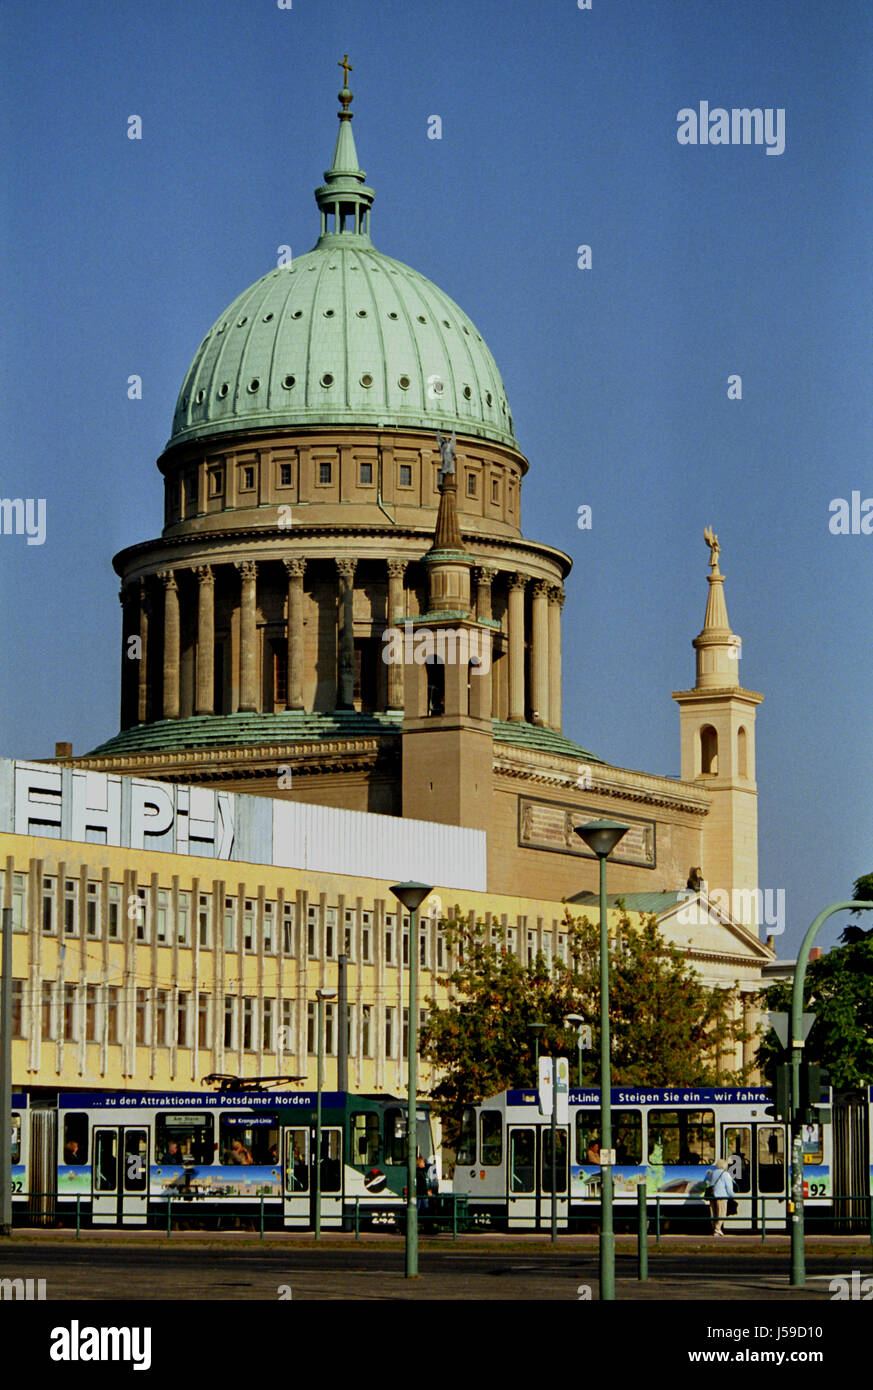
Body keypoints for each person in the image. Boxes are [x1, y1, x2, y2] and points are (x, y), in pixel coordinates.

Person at [706, 1157, 735, 1235]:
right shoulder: (725, 1174)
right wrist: (732, 1196)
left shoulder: (712, 1173)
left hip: (712, 1196)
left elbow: (707, 1181)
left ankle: (715, 1229)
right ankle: (717, 1229)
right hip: (721, 1196)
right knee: (721, 1213)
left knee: (714, 1213)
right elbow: (729, 1188)